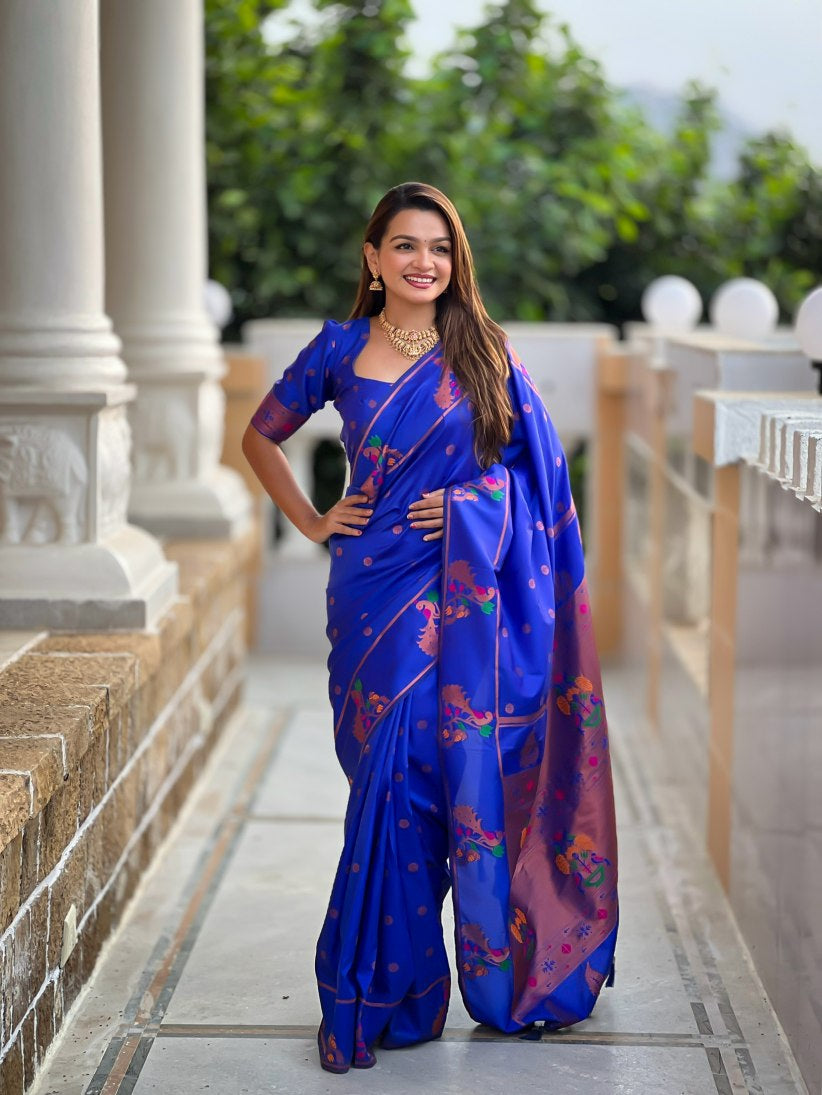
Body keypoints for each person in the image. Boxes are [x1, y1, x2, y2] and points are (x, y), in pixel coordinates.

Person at [242, 181, 618, 1074]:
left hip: (458, 598)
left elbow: (539, 480)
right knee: (389, 781)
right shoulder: (338, 349)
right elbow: (260, 436)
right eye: (406, 245)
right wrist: (313, 518)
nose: (424, 262)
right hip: (370, 592)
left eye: (440, 247)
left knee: (435, 775)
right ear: (373, 258)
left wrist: (469, 509)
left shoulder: (482, 350)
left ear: (456, 261)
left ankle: (442, 980)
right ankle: (397, 990)